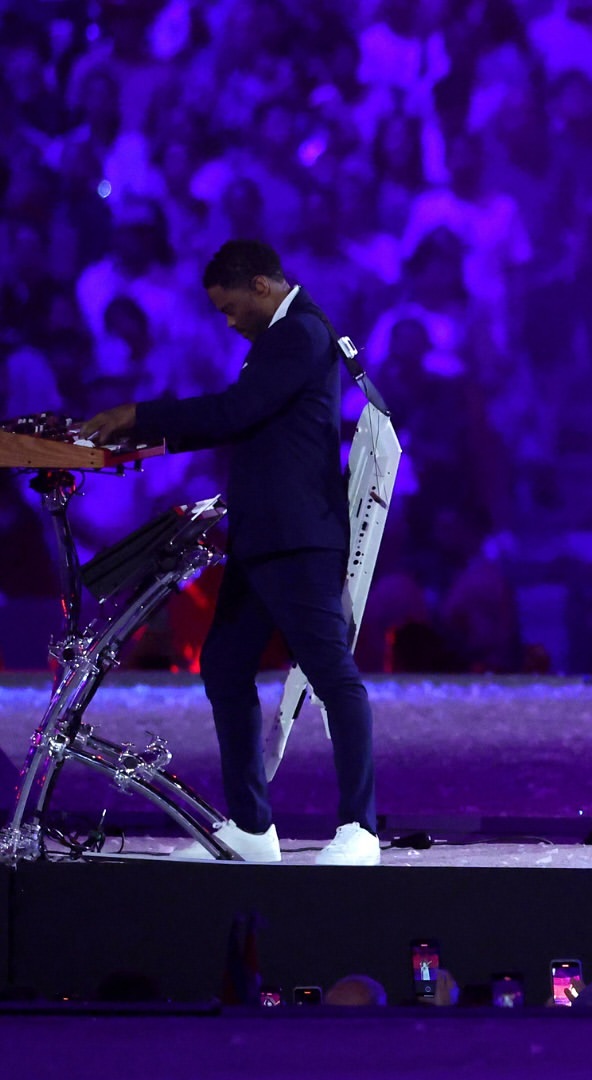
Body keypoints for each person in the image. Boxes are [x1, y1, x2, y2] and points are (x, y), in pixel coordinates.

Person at [79, 239, 379, 866]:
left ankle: (361, 829)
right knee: (224, 665)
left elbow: (235, 412)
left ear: (261, 286)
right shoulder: (286, 335)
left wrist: (139, 416)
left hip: (297, 539)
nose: (229, 321)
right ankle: (250, 828)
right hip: (265, 536)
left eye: (231, 307)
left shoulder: (300, 333)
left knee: (331, 675)